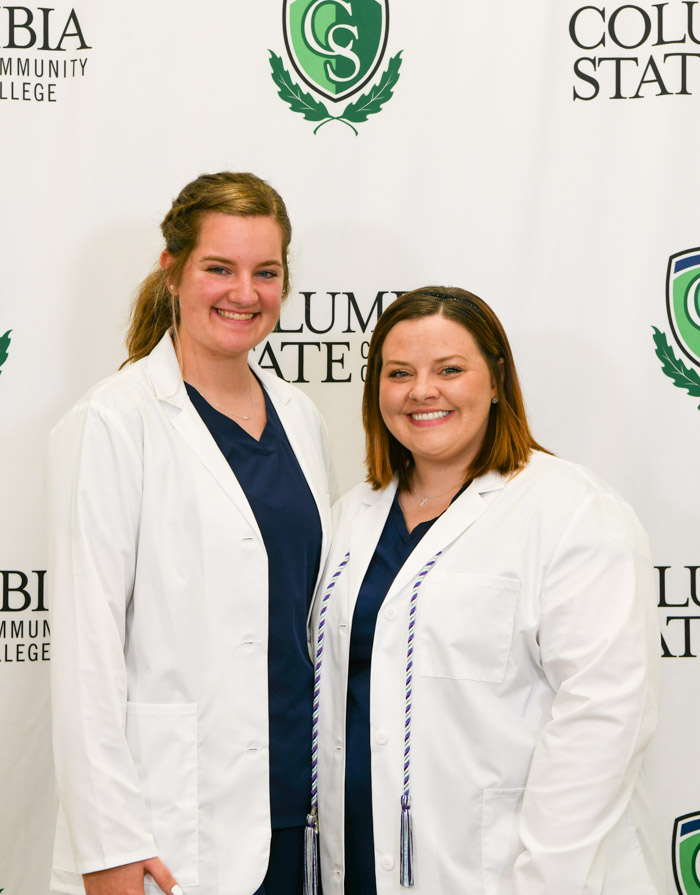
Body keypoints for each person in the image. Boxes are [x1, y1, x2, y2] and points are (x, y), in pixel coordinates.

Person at [311, 287, 663, 895]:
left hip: (511, 871)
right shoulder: (352, 516)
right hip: (363, 863)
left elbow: (603, 717)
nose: (423, 391)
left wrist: (548, 879)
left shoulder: (571, 510)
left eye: (450, 369)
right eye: (400, 373)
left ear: (497, 380)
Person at [48, 172, 334, 895]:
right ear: (173, 271)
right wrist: (109, 843)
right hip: (171, 830)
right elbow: (86, 654)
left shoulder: (301, 419)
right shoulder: (114, 422)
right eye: (220, 267)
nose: (245, 292)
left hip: (291, 814)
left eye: (266, 271)